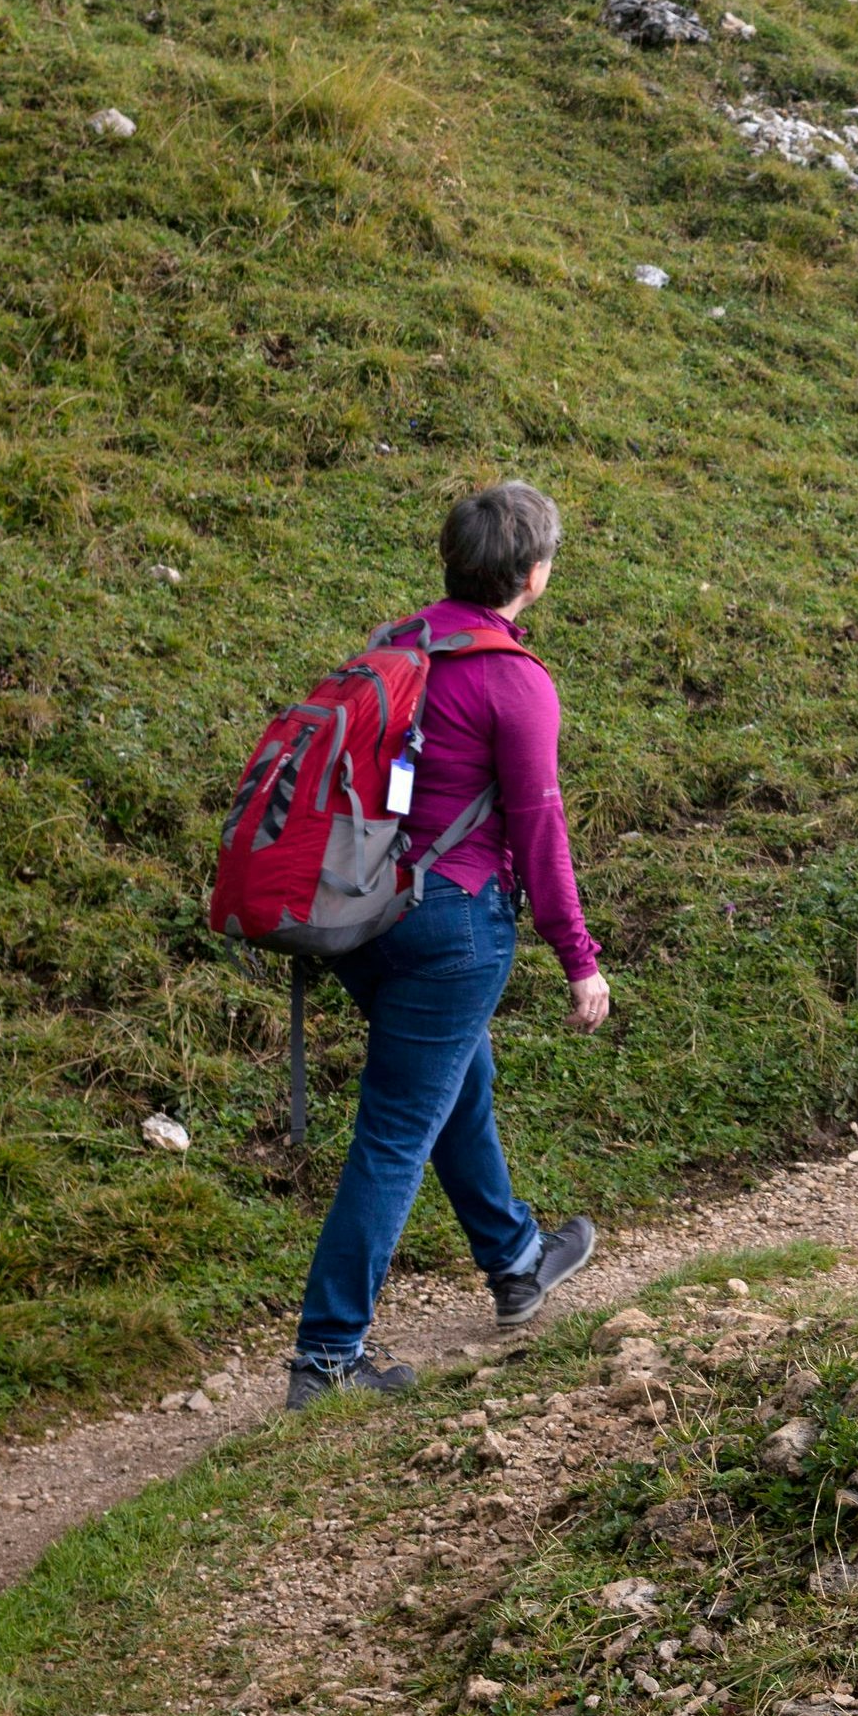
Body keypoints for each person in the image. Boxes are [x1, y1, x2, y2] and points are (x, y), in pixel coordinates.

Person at [286, 482, 609, 1408]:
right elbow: (539, 829)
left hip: (362, 916)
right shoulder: (514, 680)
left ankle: (516, 1260)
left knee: (458, 1081)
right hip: (453, 929)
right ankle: (328, 1358)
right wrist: (577, 958)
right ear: (535, 575)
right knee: (395, 1132)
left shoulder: (398, 646)